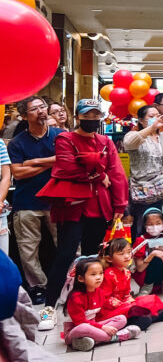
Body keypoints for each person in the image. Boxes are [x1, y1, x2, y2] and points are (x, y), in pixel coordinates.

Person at [37, 100, 128, 332]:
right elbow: (66, 168)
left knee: (93, 257)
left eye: (96, 115)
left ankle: (91, 305)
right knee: (65, 255)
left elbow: (116, 173)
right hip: (73, 206)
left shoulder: (105, 141)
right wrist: (99, 175)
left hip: (99, 205)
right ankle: (49, 308)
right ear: (77, 117)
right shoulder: (65, 139)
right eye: (87, 115)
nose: (92, 119)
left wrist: (120, 203)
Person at [7, 97, 62, 303]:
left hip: (57, 200)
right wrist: (52, 162)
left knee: (66, 244)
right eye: (34, 109)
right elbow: (18, 173)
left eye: (42, 107)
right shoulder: (17, 142)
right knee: (28, 249)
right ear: (24, 116)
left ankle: (69, 281)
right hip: (26, 202)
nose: (41, 111)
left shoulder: (60, 135)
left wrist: (35, 162)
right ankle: (39, 287)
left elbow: (65, 161)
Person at [62, 258, 140, 351]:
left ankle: (93, 340)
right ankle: (117, 337)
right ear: (80, 278)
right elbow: (80, 323)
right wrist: (103, 327)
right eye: (93, 274)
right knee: (84, 327)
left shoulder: (99, 292)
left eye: (101, 273)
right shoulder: (75, 297)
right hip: (76, 330)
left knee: (121, 319)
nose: (98, 277)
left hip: (94, 326)